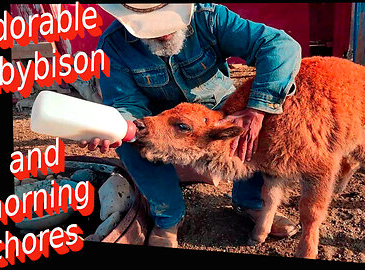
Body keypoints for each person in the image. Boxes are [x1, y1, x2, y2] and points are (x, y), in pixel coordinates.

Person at [79, 3, 302, 247]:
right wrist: (119, 127)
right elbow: (125, 102)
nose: (164, 33)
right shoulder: (113, 45)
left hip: (216, 110)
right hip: (158, 117)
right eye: (151, 26)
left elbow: (279, 45)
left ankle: (251, 202)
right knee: (129, 140)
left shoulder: (210, 18)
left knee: (255, 123)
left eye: (167, 21)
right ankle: (168, 217)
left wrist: (257, 109)